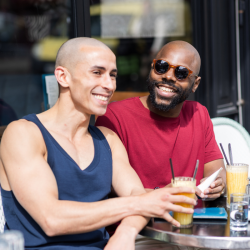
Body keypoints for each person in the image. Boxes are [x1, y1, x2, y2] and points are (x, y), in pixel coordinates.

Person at [0, 37, 196, 250]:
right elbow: (51, 219)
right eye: (97, 73)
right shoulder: (24, 133)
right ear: (63, 76)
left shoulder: (108, 139)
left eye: (112, 75)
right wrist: (140, 203)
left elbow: (137, 195)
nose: (109, 85)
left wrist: (125, 232)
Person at [96, 40, 226, 199]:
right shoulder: (114, 116)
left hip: (194, 219)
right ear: (151, 68)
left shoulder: (199, 113)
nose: (168, 76)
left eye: (181, 73)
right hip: (142, 220)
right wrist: (166, 194)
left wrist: (216, 185)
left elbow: (217, 171)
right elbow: (109, 187)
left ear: (195, 84)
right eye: (161, 67)